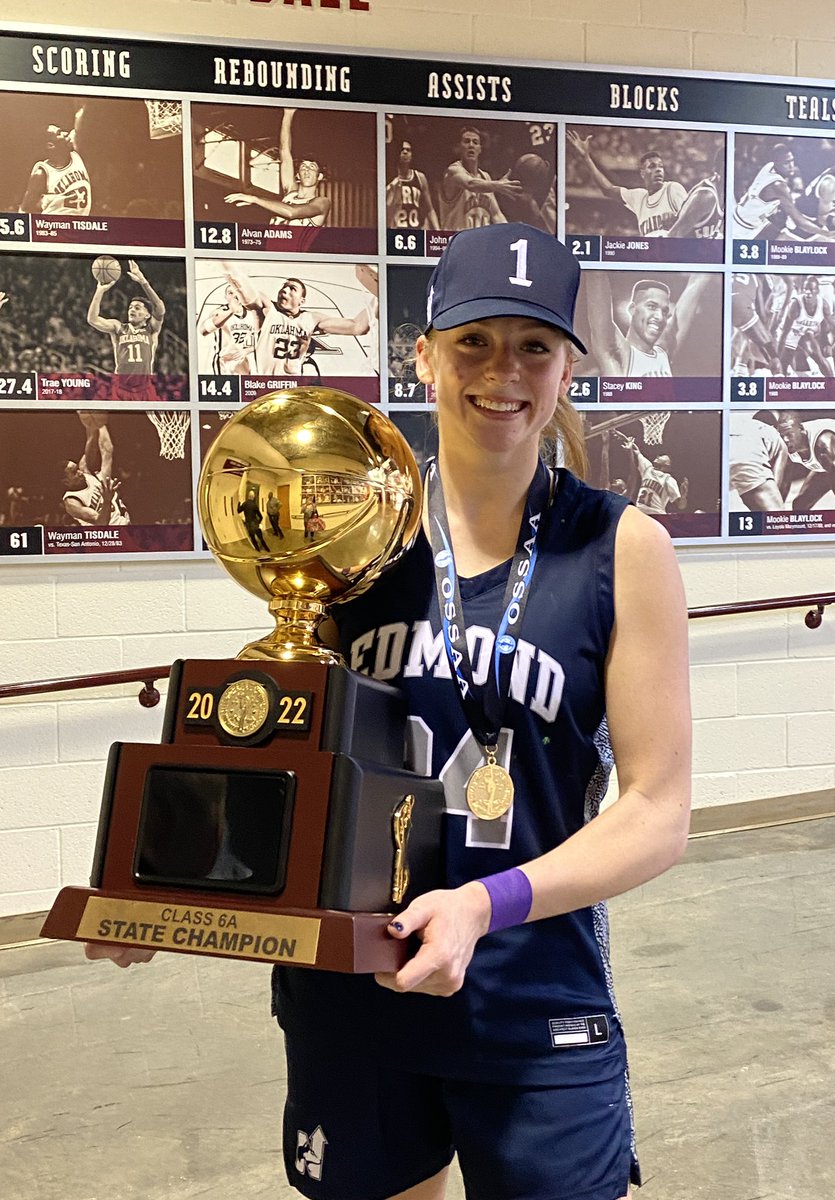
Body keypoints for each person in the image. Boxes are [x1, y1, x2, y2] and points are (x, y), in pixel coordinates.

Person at [84, 222, 692, 1200]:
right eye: (474, 342)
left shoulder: (623, 549)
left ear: (569, 366)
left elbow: (659, 813)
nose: (505, 372)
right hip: (352, 995)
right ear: (423, 354)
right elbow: (282, 757)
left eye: (535, 345)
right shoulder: (348, 538)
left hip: (531, 996)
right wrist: (175, 888)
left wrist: (480, 906)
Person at [222, 262, 376, 378]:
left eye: (292, 288)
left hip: (294, 387)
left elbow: (357, 327)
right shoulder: (269, 310)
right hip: (265, 384)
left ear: (301, 301)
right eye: (284, 287)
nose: (285, 290)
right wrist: (228, 266)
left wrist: (380, 295)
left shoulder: (311, 318)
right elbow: (245, 288)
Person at [224, 108, 332, 248]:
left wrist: (255, 199)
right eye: (303, 167)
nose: (306, 170)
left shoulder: (322, 203)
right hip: (270, 258)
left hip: (293, 264)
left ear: (319, 176)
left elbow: (291, 212)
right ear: (297, 175)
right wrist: (288, 114)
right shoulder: (290, 193)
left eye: (312, 167)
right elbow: (284, 152)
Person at [578, 271, 714, 378]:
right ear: (632, 309)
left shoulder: (663, 353)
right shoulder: (617, 354)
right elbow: (597, 276)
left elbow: (698, 282)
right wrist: (597, 243)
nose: (660, 317)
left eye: (665, 311)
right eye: (652, 306)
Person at [566, 130, 687, 237]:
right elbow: (608, 189)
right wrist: (586, 158)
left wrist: (678, 221)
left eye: (661, 166)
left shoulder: (672, 189)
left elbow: (693, 218)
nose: (659, 169)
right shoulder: (639, 197)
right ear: (642, 173)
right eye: (652, 166)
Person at [86, 259, 166, 401]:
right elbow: (92, 319)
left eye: (137, 307)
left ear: (147, 315)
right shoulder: (118, 327)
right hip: (121, 388)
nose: (132, 310)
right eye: (130, 307)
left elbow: (159, 307)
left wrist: (143, 282)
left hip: (144, 388)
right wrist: (100, 291)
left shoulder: (152, 329)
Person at [733, 142, 831, 241]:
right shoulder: (778, 186)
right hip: (742, 227)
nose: (791, 166)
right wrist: (826, 233)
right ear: (776, 163)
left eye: (792, 160)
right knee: (793, 242)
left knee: (785, 236)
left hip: (752, 218)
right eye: (786, 163)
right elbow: (799, 222)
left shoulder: (769, 166)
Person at [437, 125, 521, 229]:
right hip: (456, 240)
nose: (471, 145)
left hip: (480, 241)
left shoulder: (485, 177)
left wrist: (509, 232)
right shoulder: (453, 171)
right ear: (459, 147)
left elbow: (496, 215)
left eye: (475, 142)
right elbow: (470, 184)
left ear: (480, 149)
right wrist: (498, 185)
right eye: (466, 141)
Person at [62, 412, 130, 527]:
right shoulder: (72, 501)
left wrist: (98, 425)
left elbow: (106, 450)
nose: (79, 472)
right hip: (106, 539)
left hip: (126, 527)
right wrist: (107, 500)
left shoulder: (88, 474)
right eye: (74, 472)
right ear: (65, 481)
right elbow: (100, 523)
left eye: (77, 469)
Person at [20, 110, 92, 216]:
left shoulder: (75, 154)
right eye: (59, 133)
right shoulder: (42, 173)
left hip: (79, 226)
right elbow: (25, 209)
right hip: (56, 228)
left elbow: (78, 125)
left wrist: (84, 106)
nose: (65, 133)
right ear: (51, 145)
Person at [729, 412, 790, 510]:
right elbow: (778, 489)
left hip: (708, 437)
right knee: (774, 518)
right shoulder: (777, 441)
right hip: (741, 440)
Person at [199, 282, 261, 375]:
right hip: (224, 362)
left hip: (243, 362)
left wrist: (247, 350)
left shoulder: (252, 314)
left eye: (237, 293)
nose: (235, 296)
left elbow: (264, 341)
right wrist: (232, 310)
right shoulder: (219, 312)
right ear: (226, 297)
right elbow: (203, 331)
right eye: (230, 293)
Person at [619, 433, 688, 515]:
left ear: (667, 464)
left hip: (657, 515)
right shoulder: (648, 468)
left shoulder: (669, 480)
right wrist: (624, 438)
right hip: (641, 513)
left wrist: (683, 496)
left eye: (662, 456)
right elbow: (637, 451)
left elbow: (680, 505)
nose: (658, 456)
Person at [386, 139, 439, 230]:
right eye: (402, 149)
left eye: (408, 150)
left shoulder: (419, 177)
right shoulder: (390, 179)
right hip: (396, 229)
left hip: (416, 229)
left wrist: (438, 232)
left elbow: (430, 209)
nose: (405, 152)